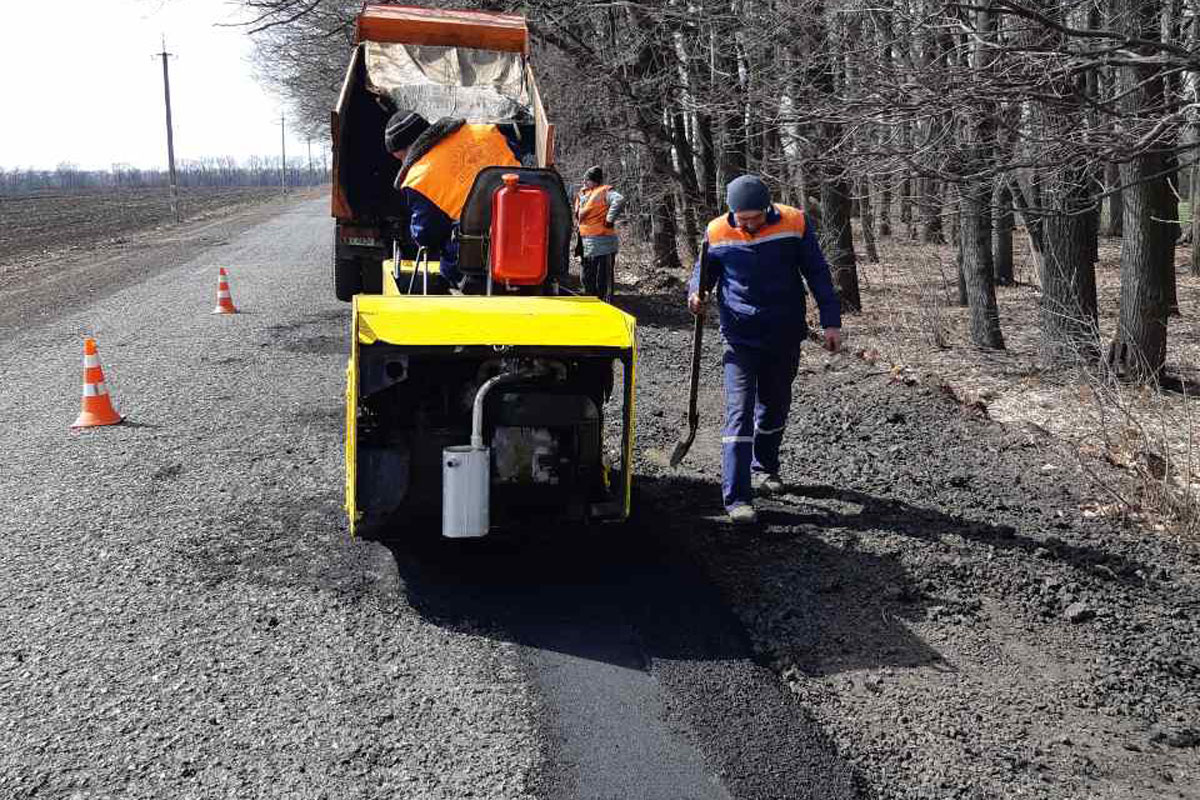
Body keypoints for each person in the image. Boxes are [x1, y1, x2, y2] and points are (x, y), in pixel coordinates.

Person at [688, 175, 842, 525]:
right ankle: (738, 498)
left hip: (784, 330)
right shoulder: (716, 232)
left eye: (755, 218)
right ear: (731, 213)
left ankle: (765, 468)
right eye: (743, 220)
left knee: (774, 405)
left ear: (768, 208)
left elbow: (817, 272)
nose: (749, 225)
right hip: (739, 335)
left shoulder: (794, 222)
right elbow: (703, 274)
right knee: (739, 411)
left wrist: (831, 321)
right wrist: (696, 294)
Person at [384, 110, 525, 289]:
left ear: (407, 149)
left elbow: (427, 236)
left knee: (449, 265)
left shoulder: (419, 178)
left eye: (401, 159)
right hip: (526, 239)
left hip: (475, 266)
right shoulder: (486, 132)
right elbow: (520, 164)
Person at [574, 166, 625, 300]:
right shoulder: (584, 194)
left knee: (603, 279)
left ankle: (605, 306)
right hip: (587, 243)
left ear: (595, 181)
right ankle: (591, 303)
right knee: (587, 277)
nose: (584, 182)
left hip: (603, 243)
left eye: (587, 180)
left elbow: (619, 200)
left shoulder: (604, 191)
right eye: (584, 180)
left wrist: (609, 219)